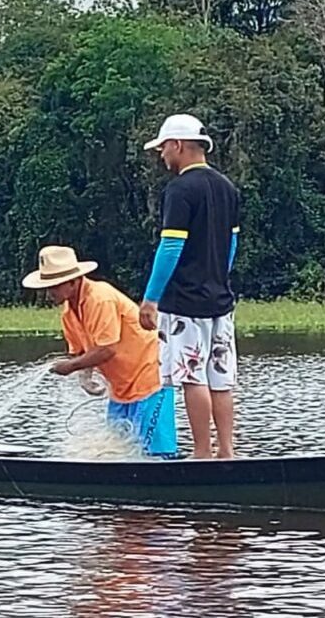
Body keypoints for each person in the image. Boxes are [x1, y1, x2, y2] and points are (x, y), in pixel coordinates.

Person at [140, 113, 240, 459]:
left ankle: (202, 454)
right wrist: (218, 278)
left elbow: (171, 246)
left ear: (178, 145)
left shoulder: (180, 190)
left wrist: (151, 298)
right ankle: (227, 451)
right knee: (221, 377)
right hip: (220, 301)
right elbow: (231, 246)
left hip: (184, 302)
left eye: (163, 147)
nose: (162, 155)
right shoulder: (228, 188)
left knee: (191, 377)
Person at [23, 245, 178, 458]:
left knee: (157, 453)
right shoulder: (69, 312)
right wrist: (84, 376)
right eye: (48, 287)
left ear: (73, 282)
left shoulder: (100, 298)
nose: (49, 293)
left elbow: (106, 350)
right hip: (121, 389)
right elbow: (80, 352)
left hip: (150, 377)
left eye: (54, 287)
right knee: (119, 451)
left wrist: (70, 367)